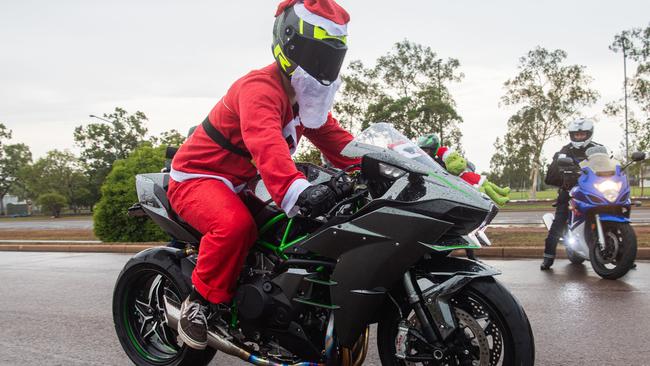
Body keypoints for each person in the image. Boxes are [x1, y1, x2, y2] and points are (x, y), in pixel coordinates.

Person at [167, 0, 358, 349]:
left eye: (332, 57)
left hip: (239, 183)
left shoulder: (304, 101)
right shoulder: (260, 88)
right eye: (319, 55)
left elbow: (339, 143)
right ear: (291, 45)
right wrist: (296, 189)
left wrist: (384, 168)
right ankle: (198, 305)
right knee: (234, 226)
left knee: (296, 232)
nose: (325, 66)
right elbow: (265, 142)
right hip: (198, 177)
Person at [417, 133, 511, 260]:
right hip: (430, 194)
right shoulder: (420, 160)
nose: (424, 152)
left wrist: (466, 168)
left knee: (463, 222)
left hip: (449, 194)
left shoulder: (442, 160)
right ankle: (423, 252)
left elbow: (461, 168)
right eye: (422, 149)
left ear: (434, 149)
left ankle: (471, 254)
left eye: (426, 150)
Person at [541, 118, 600, 270]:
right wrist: (564, 172)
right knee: (559, 220)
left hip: (595, 190)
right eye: (576, 135)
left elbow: (611, 163)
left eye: (582, 134)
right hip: (570, 191)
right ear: (571, 135)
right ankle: (548, 256)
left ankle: (624, 254)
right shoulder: (564, 151)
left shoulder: (599, 149)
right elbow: (551, 175)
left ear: (589, 134)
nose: (579, 137)